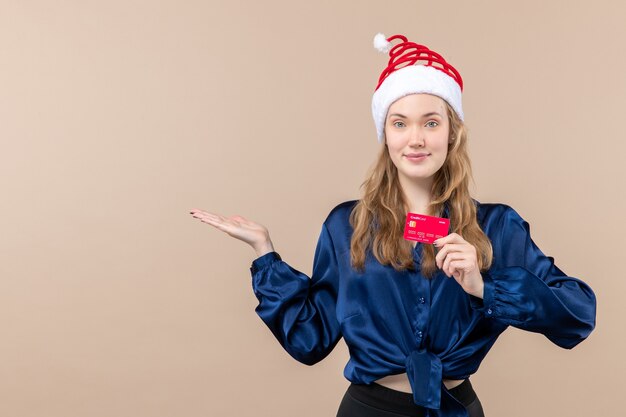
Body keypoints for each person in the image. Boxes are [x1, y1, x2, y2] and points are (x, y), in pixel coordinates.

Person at [189, 33, 597, 417]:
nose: (415, 138)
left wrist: (484, 286)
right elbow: (309, 339)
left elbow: (577, 314)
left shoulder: (497, 226)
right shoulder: (347, 226)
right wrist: (264, 254)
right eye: (400, 123)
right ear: (384, 134)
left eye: (431, 122)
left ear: (452, 132)